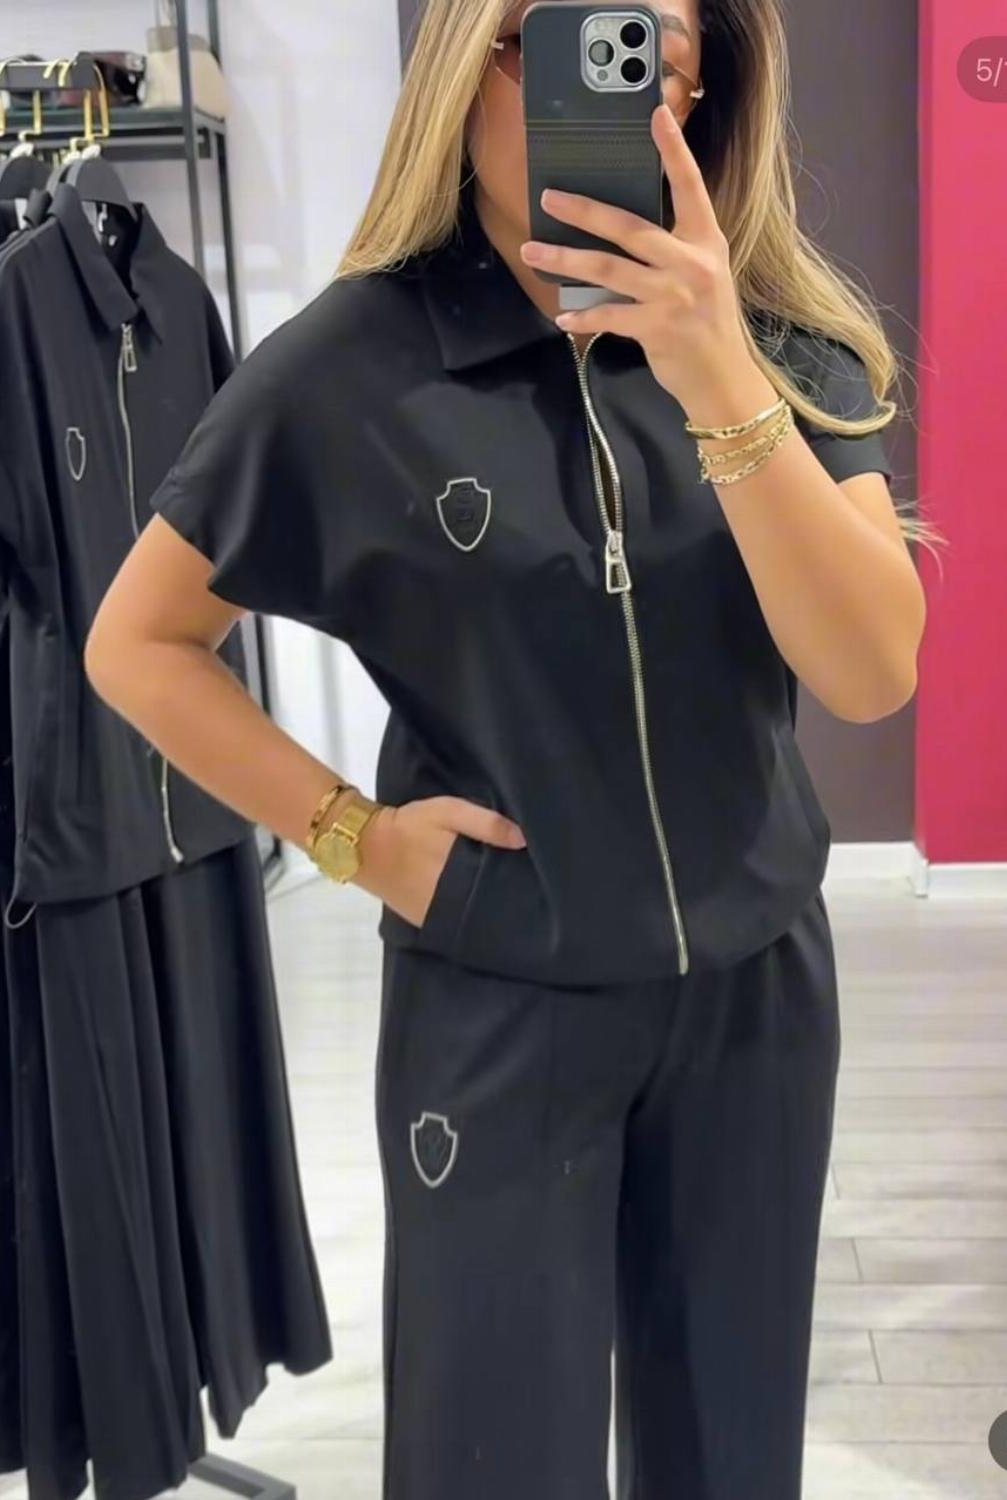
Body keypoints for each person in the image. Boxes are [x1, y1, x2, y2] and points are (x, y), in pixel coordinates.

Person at [85, 2, 934, 1496]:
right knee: (494, 1463)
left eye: (648, 56)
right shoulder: (353, 367)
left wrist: (718, 374)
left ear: (697, 101)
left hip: (754, 1001)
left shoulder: (769, 337)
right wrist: (352, 837)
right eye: (553, 38)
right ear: (467, 59)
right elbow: (137, 644)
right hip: (499, 1001)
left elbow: (871, 673)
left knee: (732, 1458)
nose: (589, 88)